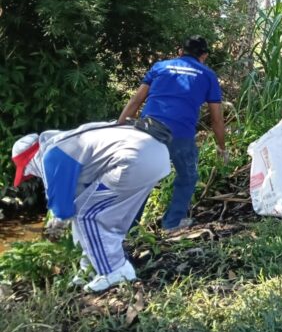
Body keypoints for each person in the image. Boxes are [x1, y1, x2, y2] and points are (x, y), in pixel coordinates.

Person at [11, 119, 171, 291]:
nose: (33, 175)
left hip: (133, 159)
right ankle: (91, 268)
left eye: (28, 171)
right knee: (109, 218)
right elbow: (78, 200)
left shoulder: (52, 155)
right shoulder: (69, 143)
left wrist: (55, 226)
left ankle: (115, 271)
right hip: (156, 156)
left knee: (88, 216)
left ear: (31, 159)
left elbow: (63, 209)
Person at [118, 36, 226, 231]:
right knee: (188, 176)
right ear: (204, 56)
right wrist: (221, 147)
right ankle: (172, 224)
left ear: (180, 52)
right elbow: (216, 119)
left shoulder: (160, 67)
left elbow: (136, 100)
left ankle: (130, 228)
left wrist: (119, 127)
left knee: (144, 177)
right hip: (180, 133)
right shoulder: (208, 75)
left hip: (147, 129)